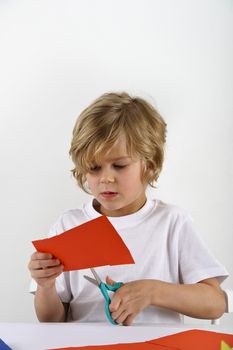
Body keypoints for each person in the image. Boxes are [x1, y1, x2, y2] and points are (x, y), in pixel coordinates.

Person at [28, 92, 228, 325]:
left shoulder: (172, 222)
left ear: (150, 165)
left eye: (119, 166)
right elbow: (51, 321)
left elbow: (215, 304)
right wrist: (45, 286)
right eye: (94, 168)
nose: (106, 179)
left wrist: (153, 291)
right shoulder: (68, 225)